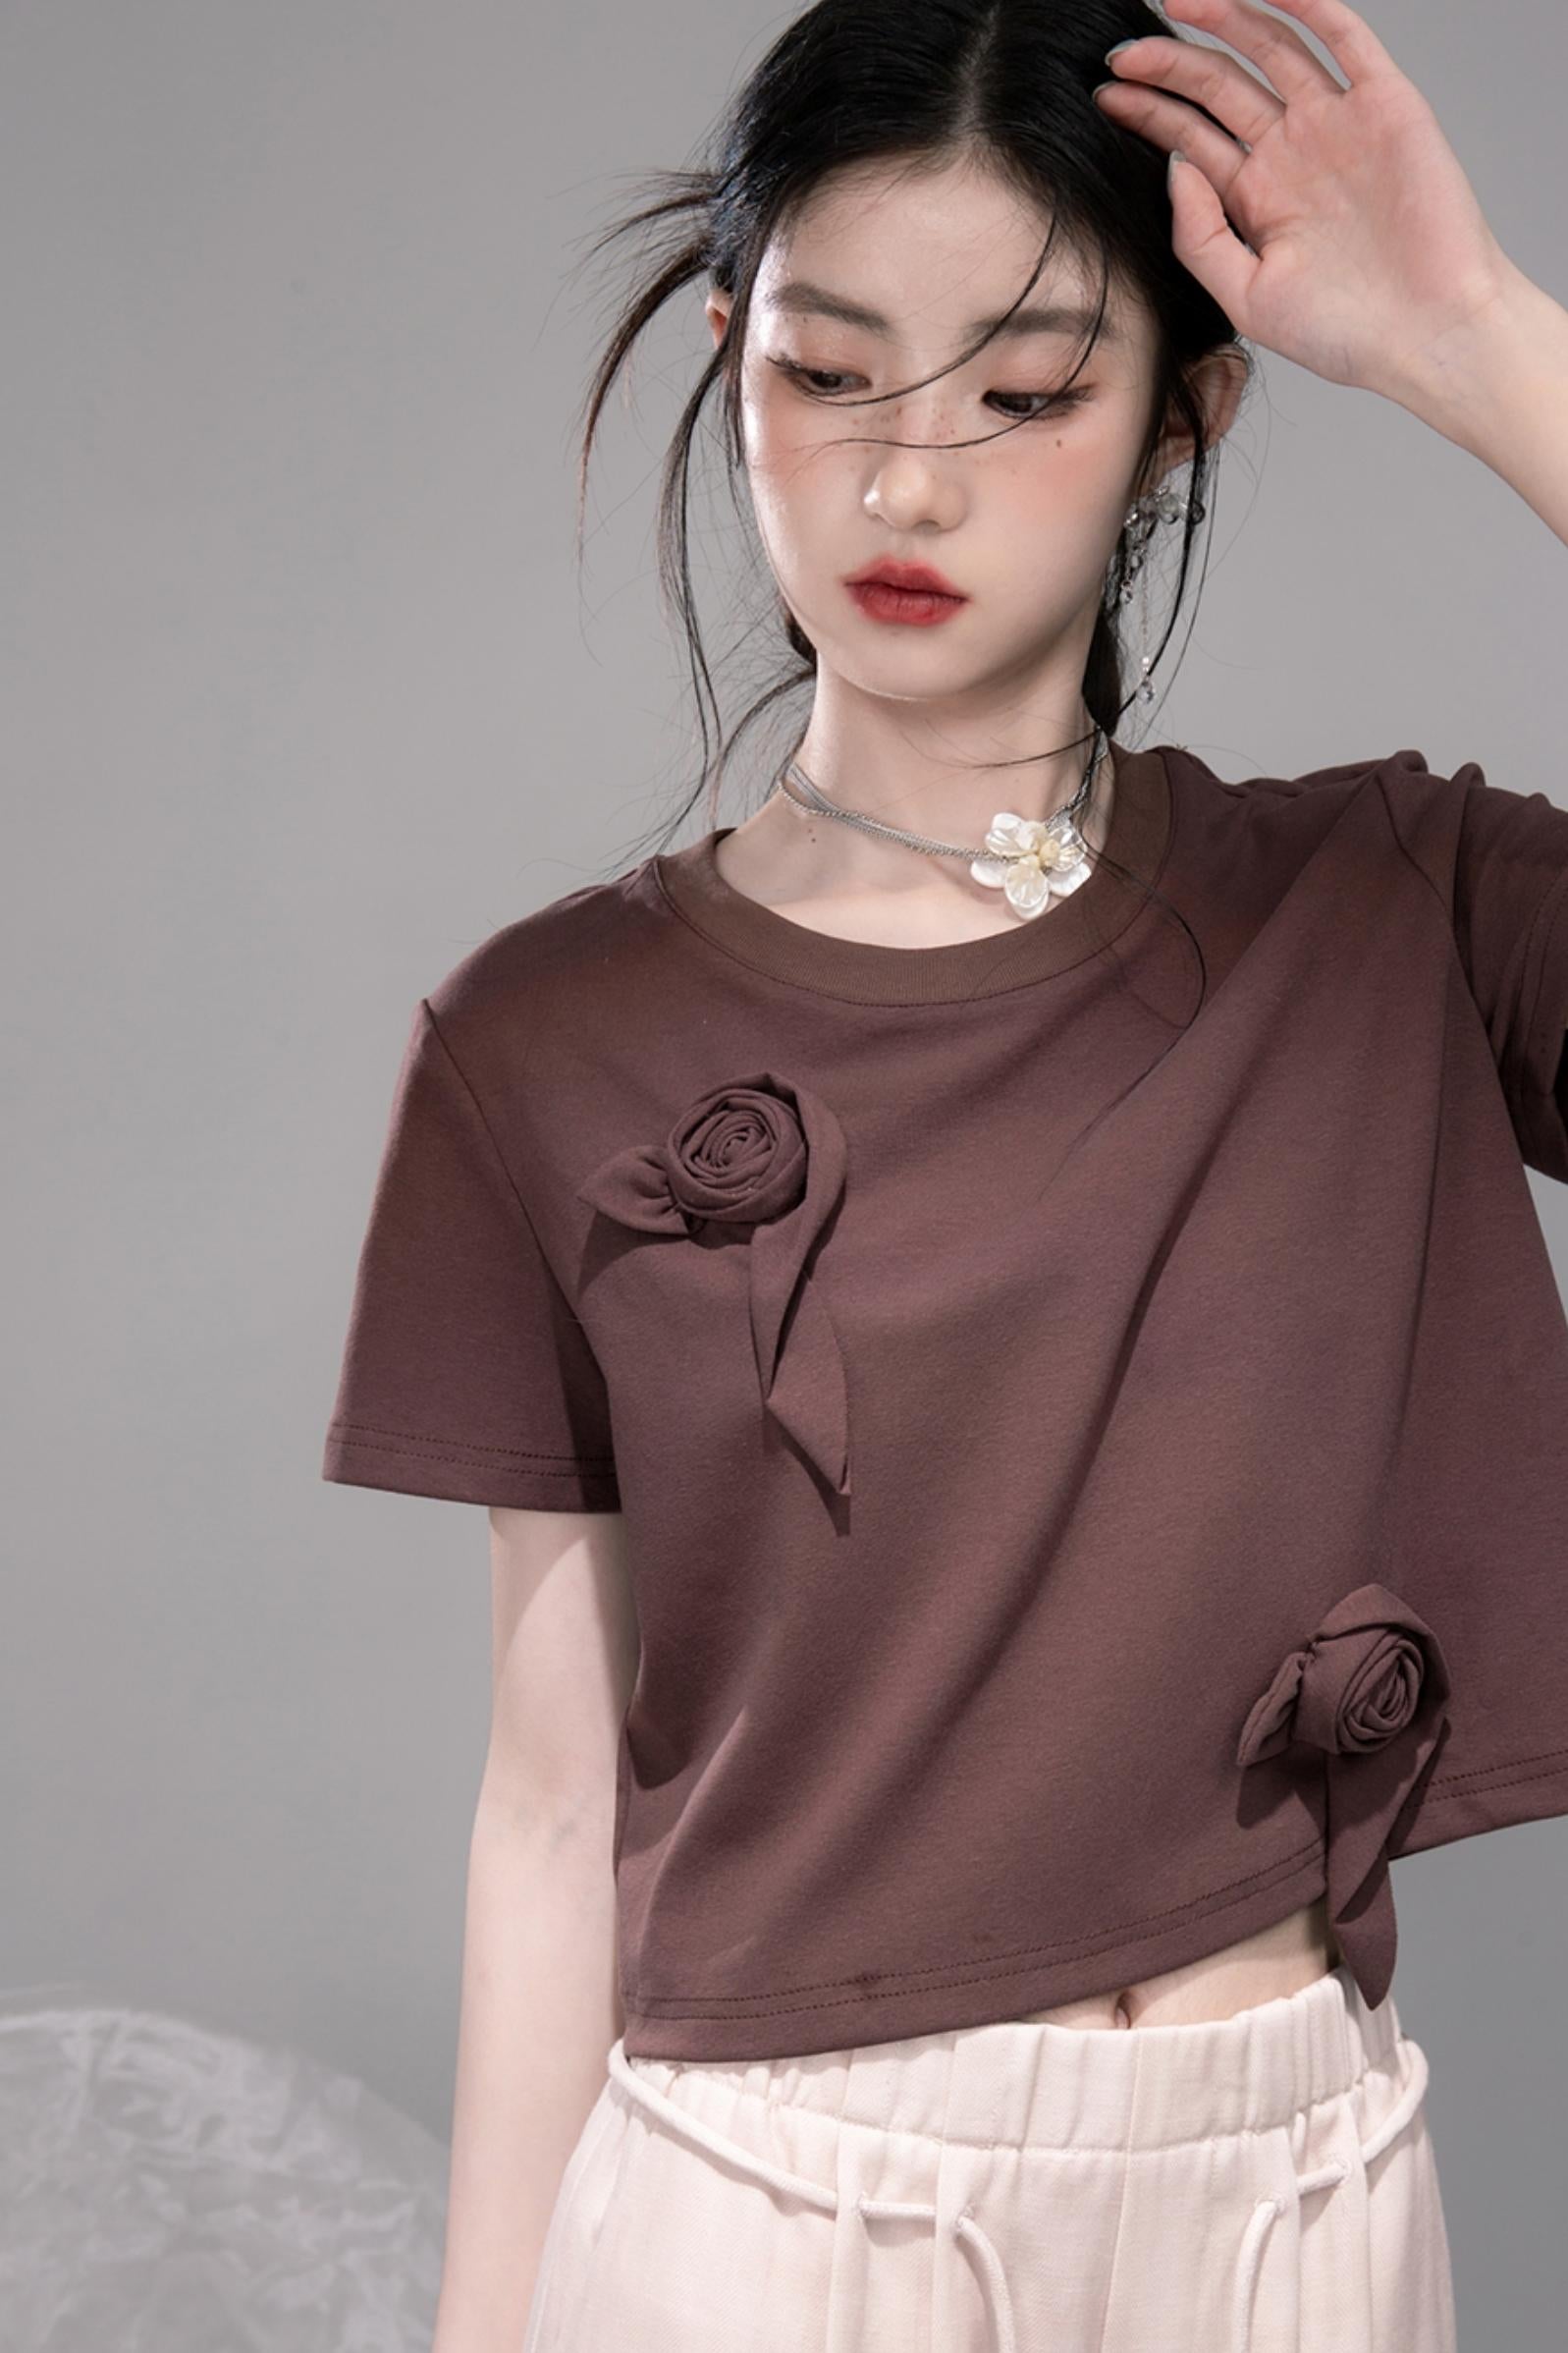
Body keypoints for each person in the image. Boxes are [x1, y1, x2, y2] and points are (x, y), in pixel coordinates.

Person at [319, 0, 1568, 2346]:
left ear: (1181, 415)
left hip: (1289, 2208)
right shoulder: (541, 1041)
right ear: (729, 353)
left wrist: (1479, 338)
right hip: (764, 2215)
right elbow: (551, 1805)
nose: (908, 482)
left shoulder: (1389, 910)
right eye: (830, 372)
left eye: (1025, 391)